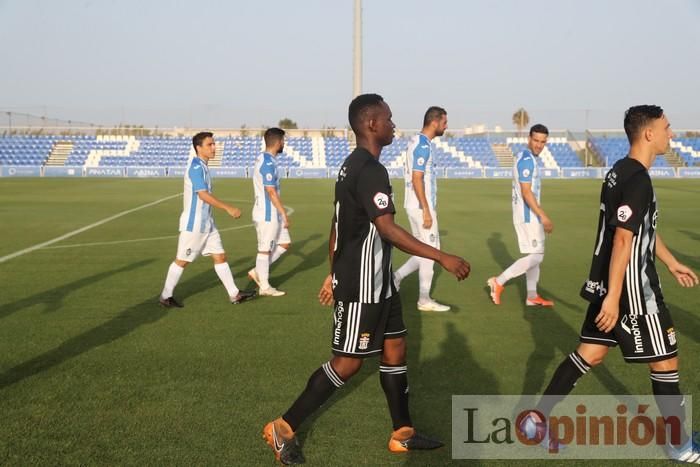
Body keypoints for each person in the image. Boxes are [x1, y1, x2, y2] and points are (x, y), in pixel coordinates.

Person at [262, 94, 471, 465]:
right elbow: (387, 230)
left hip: (381, 282)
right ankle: (283, 427)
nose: (393, 124)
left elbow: (337, 225)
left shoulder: (353, 166)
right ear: (371, 124)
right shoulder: (370, 170)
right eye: (388, 119)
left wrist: (330, 271)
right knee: (347, 363)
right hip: (362, 285)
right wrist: (442, 256)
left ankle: (402, 432)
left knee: (396, 350)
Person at [520, 106, 699, 462]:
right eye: (667, 128)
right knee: (665, 363)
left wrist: (671, 261)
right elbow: (622, 240)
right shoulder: (638, 178)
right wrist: (615, 297)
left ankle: (535, 421)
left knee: (591, 352)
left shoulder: (620, 170)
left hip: (608, 283)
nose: (671, 134)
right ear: (648, 133)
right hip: (631, 289)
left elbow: (638, 228)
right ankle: (679, 445)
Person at [158, 132, 256, 307]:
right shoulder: (196, 167)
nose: (214, 148)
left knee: (220, 256)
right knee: (182, 260)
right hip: (194, 223)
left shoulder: (203, 166)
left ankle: (234, 294)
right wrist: (228, 207)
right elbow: (202, 194)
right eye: (209, 145)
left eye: (214, 144)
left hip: (207, 223)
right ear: (198, 148)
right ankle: (166, 296)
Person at [487, 123, 555, 307]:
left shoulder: (527, 157)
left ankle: (532, 296)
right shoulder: (526, 159)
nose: (539, 145)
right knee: (537, 256)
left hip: (529, 214)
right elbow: (526, 192)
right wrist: (543, 216)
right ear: (529, 139)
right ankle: (498, 282)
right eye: (536, 140)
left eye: (543, 142)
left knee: (536, 256)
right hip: (528, 216)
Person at [393, 106, 451, 312]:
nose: (446, 126)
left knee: (422, 249)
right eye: (444, 122)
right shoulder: (423, 145)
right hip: (420, 206)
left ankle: (396, 278)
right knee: (431, 252)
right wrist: (426, 209)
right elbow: (417, 178)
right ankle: (424, 299)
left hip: (414, 204)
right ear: (434, 122)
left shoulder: (416, 142)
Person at [247, 127, 291, 297]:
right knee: (264, 250)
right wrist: (284, 213)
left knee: (284, 243)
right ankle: (264, 287)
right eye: (283, 141)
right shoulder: (267, 162)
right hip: (266, 213)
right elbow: (270, 191)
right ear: (278, 142)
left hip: (273, 213)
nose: (284, 144)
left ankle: (258, 271)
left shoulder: (265, 159)